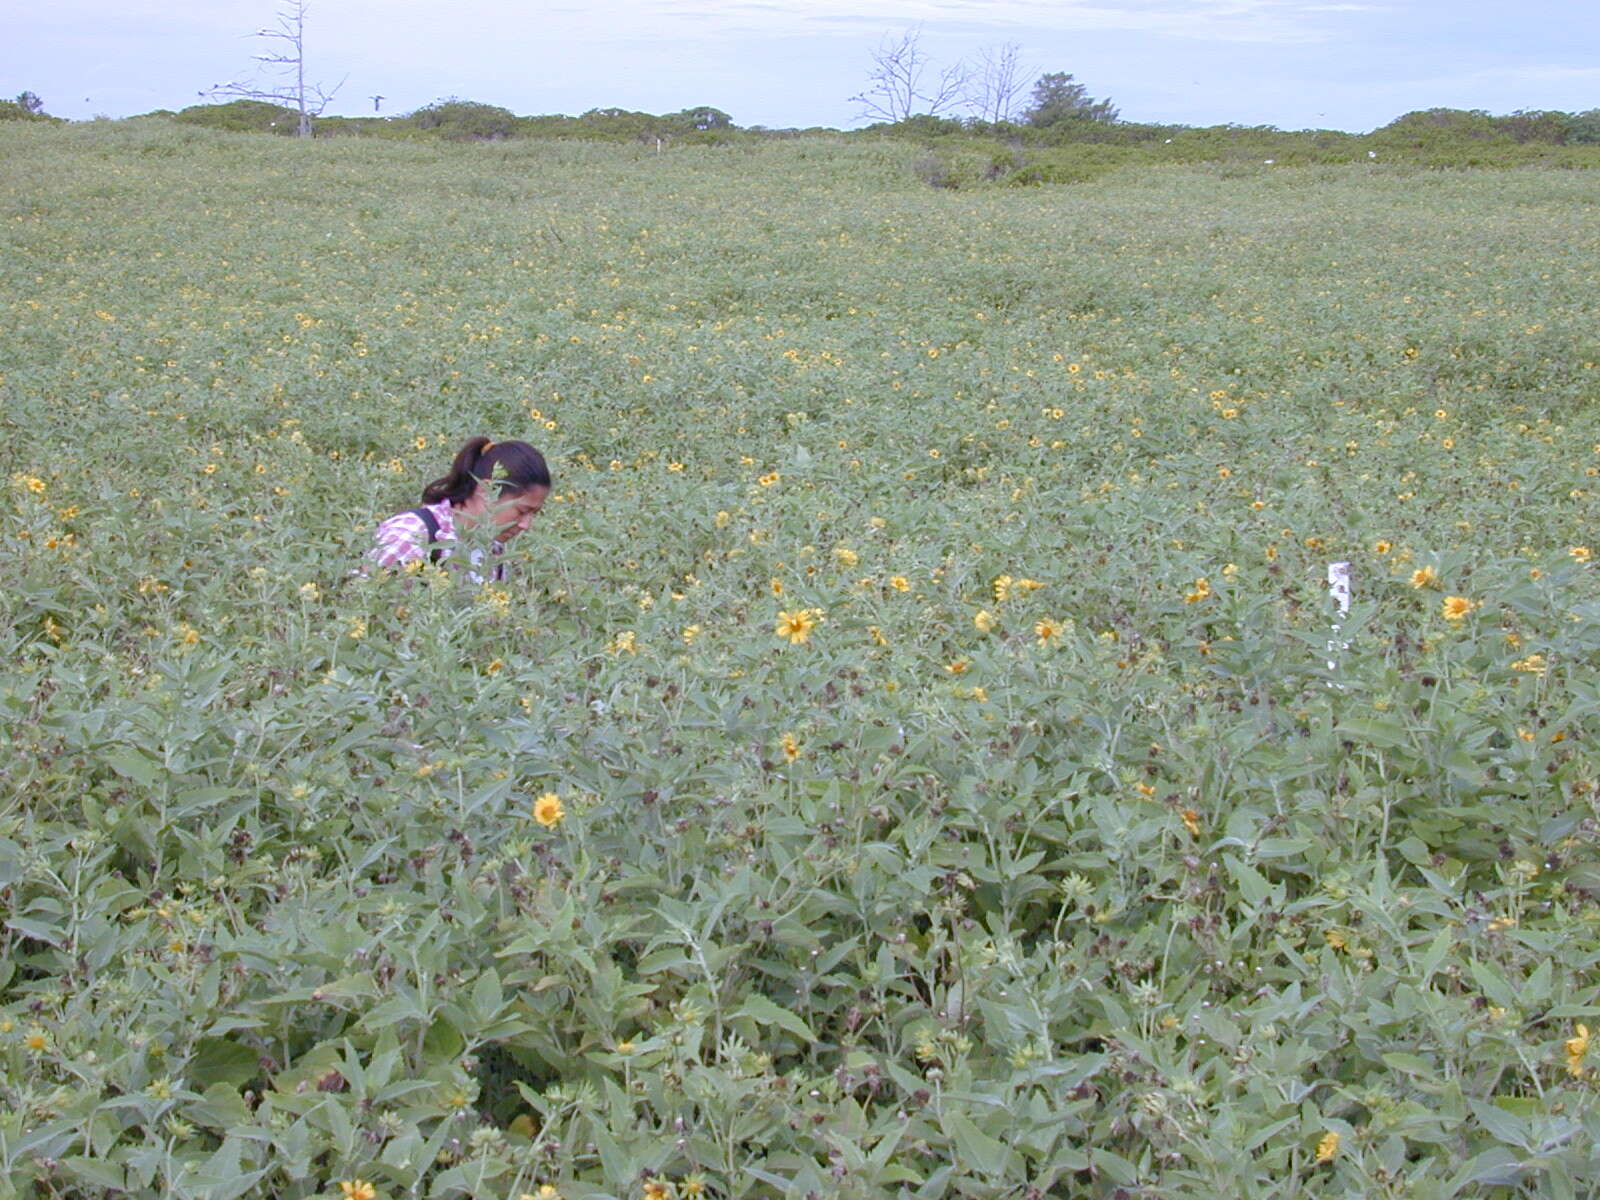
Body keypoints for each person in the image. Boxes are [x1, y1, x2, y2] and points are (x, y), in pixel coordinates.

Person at [369, 437, 551, 578]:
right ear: (488, 490)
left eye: (534, 513)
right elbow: (362, 602)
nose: (526, 525)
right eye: (522, 511)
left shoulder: (492, 552)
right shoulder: (412, 535)